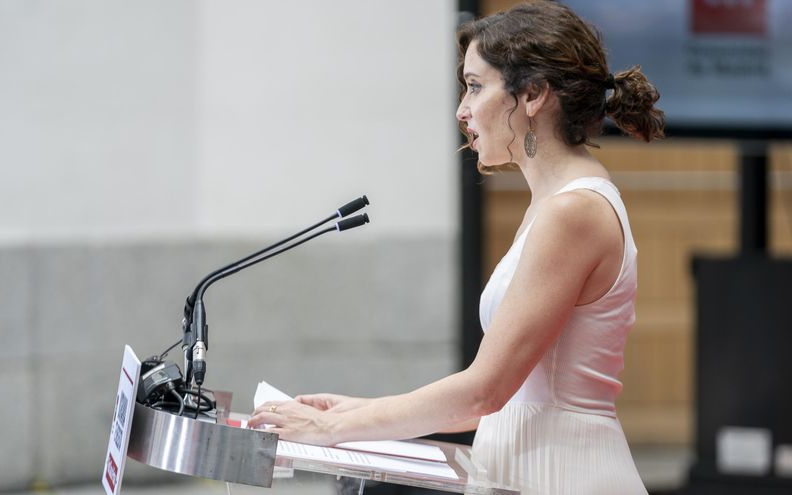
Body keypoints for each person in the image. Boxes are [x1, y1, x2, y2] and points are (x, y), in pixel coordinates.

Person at [249, 2, 664, 493]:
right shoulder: (556, 205)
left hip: (564, 473)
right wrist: (351, 409)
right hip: (528, 466)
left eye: (475, 86)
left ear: (532, 94)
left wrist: (332, 429)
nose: (461, 110)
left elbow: (484, 391)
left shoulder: (573, 213)